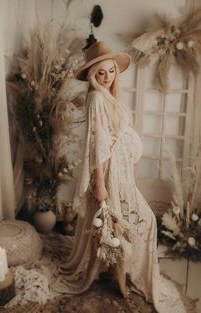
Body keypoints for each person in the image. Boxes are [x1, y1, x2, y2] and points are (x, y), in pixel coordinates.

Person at [52, 41, 188, 313]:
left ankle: (120, 274)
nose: (106, 77)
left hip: (123, 173)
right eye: (100, 73)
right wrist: (100, 184)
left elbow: (116, 137)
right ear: (92, 75)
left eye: (111, 71)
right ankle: (119, 277)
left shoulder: (110, 97)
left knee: (129, 224)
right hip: (110, 175)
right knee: (122, 224)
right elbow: (97, 145)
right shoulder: (96, 97)